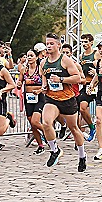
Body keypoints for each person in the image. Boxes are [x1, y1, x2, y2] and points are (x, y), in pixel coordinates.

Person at [40, 33, 87, 171]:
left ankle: (82, 156)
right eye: (47, 44)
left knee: (74, 128)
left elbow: (77, 78)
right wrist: (44, 87)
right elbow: (44, 77)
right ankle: (55, 150)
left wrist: (61, 80)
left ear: (58, 45)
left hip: (67, 99)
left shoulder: (65, 60)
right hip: (51, 98)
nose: (48, 46)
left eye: (51, 44)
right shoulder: (43, 62)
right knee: (46, 123)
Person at [18, 48, 45, 154]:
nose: (29, 58)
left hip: (39, 97)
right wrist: (19, 84)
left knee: (35, 121)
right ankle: (40, 145)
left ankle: (49, 134)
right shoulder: (23, 70)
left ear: (36, 57)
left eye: (31, 56)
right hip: (28, 98)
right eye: (28, 56)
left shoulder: (40, 69)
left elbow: (45, 85)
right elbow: (20, 82)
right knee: (32, 124)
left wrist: (39, 91)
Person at [76, 33, 97, 141]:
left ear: (91, 42)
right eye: (82, 42)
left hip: (98, 86)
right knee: (82, 108)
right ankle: (92, 127)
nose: (84, 44)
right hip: (87, 86)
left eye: (86, 42)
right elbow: (81, 71)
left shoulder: (96, 53)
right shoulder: (81, 56)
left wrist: (96, 72)